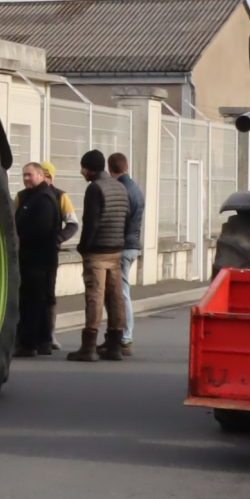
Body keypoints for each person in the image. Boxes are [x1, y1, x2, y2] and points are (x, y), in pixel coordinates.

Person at [68, 149, 132, 362]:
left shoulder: (95, 189)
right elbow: (127, 216)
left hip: (97, 251)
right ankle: (115, 345)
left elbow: (91, 222)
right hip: (116, 249)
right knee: (116, 297)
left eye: (83, 168)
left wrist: (83, 247)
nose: (81, 172)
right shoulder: (120, 187)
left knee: (94, 296)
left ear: (89, 169)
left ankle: (89, 347)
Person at [12, 162, 75, 356]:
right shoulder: (24, 196)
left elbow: (44, 229)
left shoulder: (47, 198)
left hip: (39, 259)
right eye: (24, 175)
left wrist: (57, 240)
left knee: (38, 300)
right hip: (29, 258)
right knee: (32, 300)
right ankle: (38, 341)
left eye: (29, 175)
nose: (26, 178)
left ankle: (35, 342)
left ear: (42, 176)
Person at [108, 152, 146, 355]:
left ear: (110, 168)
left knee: (121, 293)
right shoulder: (136, 188)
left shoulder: (121, 189)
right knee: (123, 291)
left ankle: (125, 336)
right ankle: (124, 335)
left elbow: (119, 218)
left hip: (123, 245)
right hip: (133, 244)